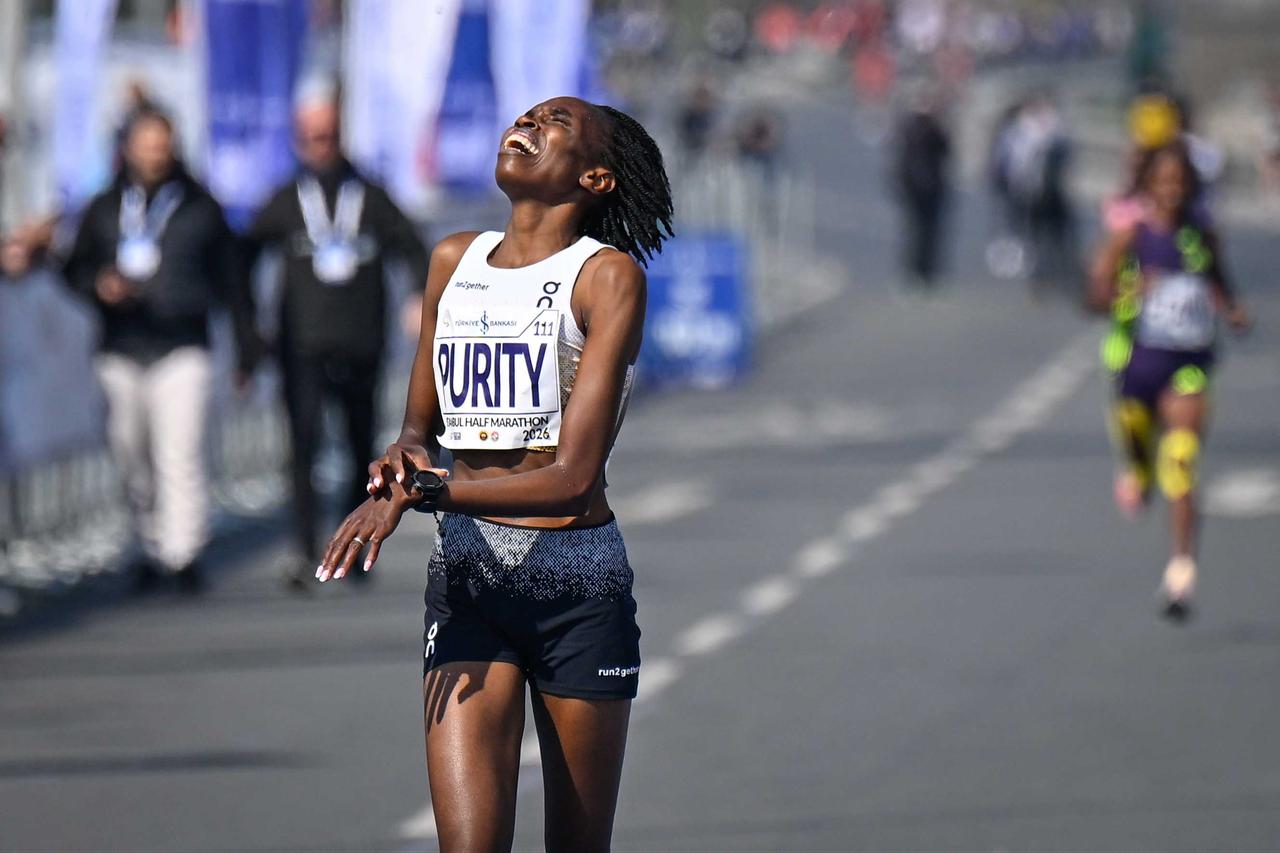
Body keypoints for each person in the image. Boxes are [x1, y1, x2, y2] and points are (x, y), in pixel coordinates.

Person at [315, 96, 673, 851]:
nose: (527, 125)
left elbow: (574, 476)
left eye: (556, 125)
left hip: (575, 582)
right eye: (525, 116)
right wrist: (400, 462)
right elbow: (419, 429)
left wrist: (433, 491)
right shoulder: (454, 260)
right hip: (469, 578)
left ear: (597, 177)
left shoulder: (605, 279)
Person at [61, 109, 260, 592]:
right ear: (128, 146)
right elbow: (74, 268)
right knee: (132, 452)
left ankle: (183, 551)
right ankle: (149, 546)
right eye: (147, 142)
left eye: (163, 143)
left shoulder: (198, 205)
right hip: (122, 346)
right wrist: (98, 285)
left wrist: (247, 349)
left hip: (182, 344)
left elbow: (234, 282)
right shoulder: (106, 206)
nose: (155, 152)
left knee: (180, 450)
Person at [243, 94, 429, 589]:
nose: (318, 146)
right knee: (302, 448)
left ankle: (354, 549)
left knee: (356, 449)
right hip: (300, 345)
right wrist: (250, 328)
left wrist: (416, 298)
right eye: (308, 138)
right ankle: (305, 552)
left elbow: (412, 247)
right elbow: (241, 256)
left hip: (359, 341)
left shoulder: (368, 192)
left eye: (326, 136)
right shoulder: (286, 197)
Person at [1088, 140, 1250, 620]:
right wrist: (1127, 290)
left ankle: (1181, 572)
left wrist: (1233, 309)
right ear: (1149, 185)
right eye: (1163, 181)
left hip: (1188, 363)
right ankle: (1135, 470)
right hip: (1137, 363)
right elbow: (1093, 295)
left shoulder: (1202, 234)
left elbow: (1220, 283)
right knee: (1141, 456)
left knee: (1180, 462)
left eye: (1180, 182)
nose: (1172, 190)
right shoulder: (1130, 236)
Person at [892, 87, 951, 289]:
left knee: (931, 233)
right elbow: (902, 159)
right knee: (915, 233)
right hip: (915, 188)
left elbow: (945, 148)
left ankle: (929, 273)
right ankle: (914, 273)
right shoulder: (909, 128)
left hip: (933, 187)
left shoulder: (935, 127)